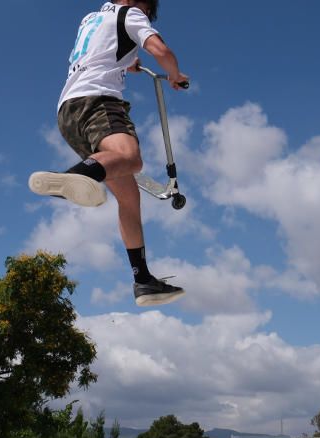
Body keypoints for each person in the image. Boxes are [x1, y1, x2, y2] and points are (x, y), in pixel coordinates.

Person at [28, 0, 189, 307]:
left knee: (129, 196)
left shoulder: (91, 19)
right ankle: (75, 177)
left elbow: (103, 51)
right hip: (98, 102)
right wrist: (174, 74)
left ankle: (143, 281)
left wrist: (130, 62)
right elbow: (160, 50)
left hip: (67, 112)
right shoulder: (132, 15)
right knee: (131, 157)